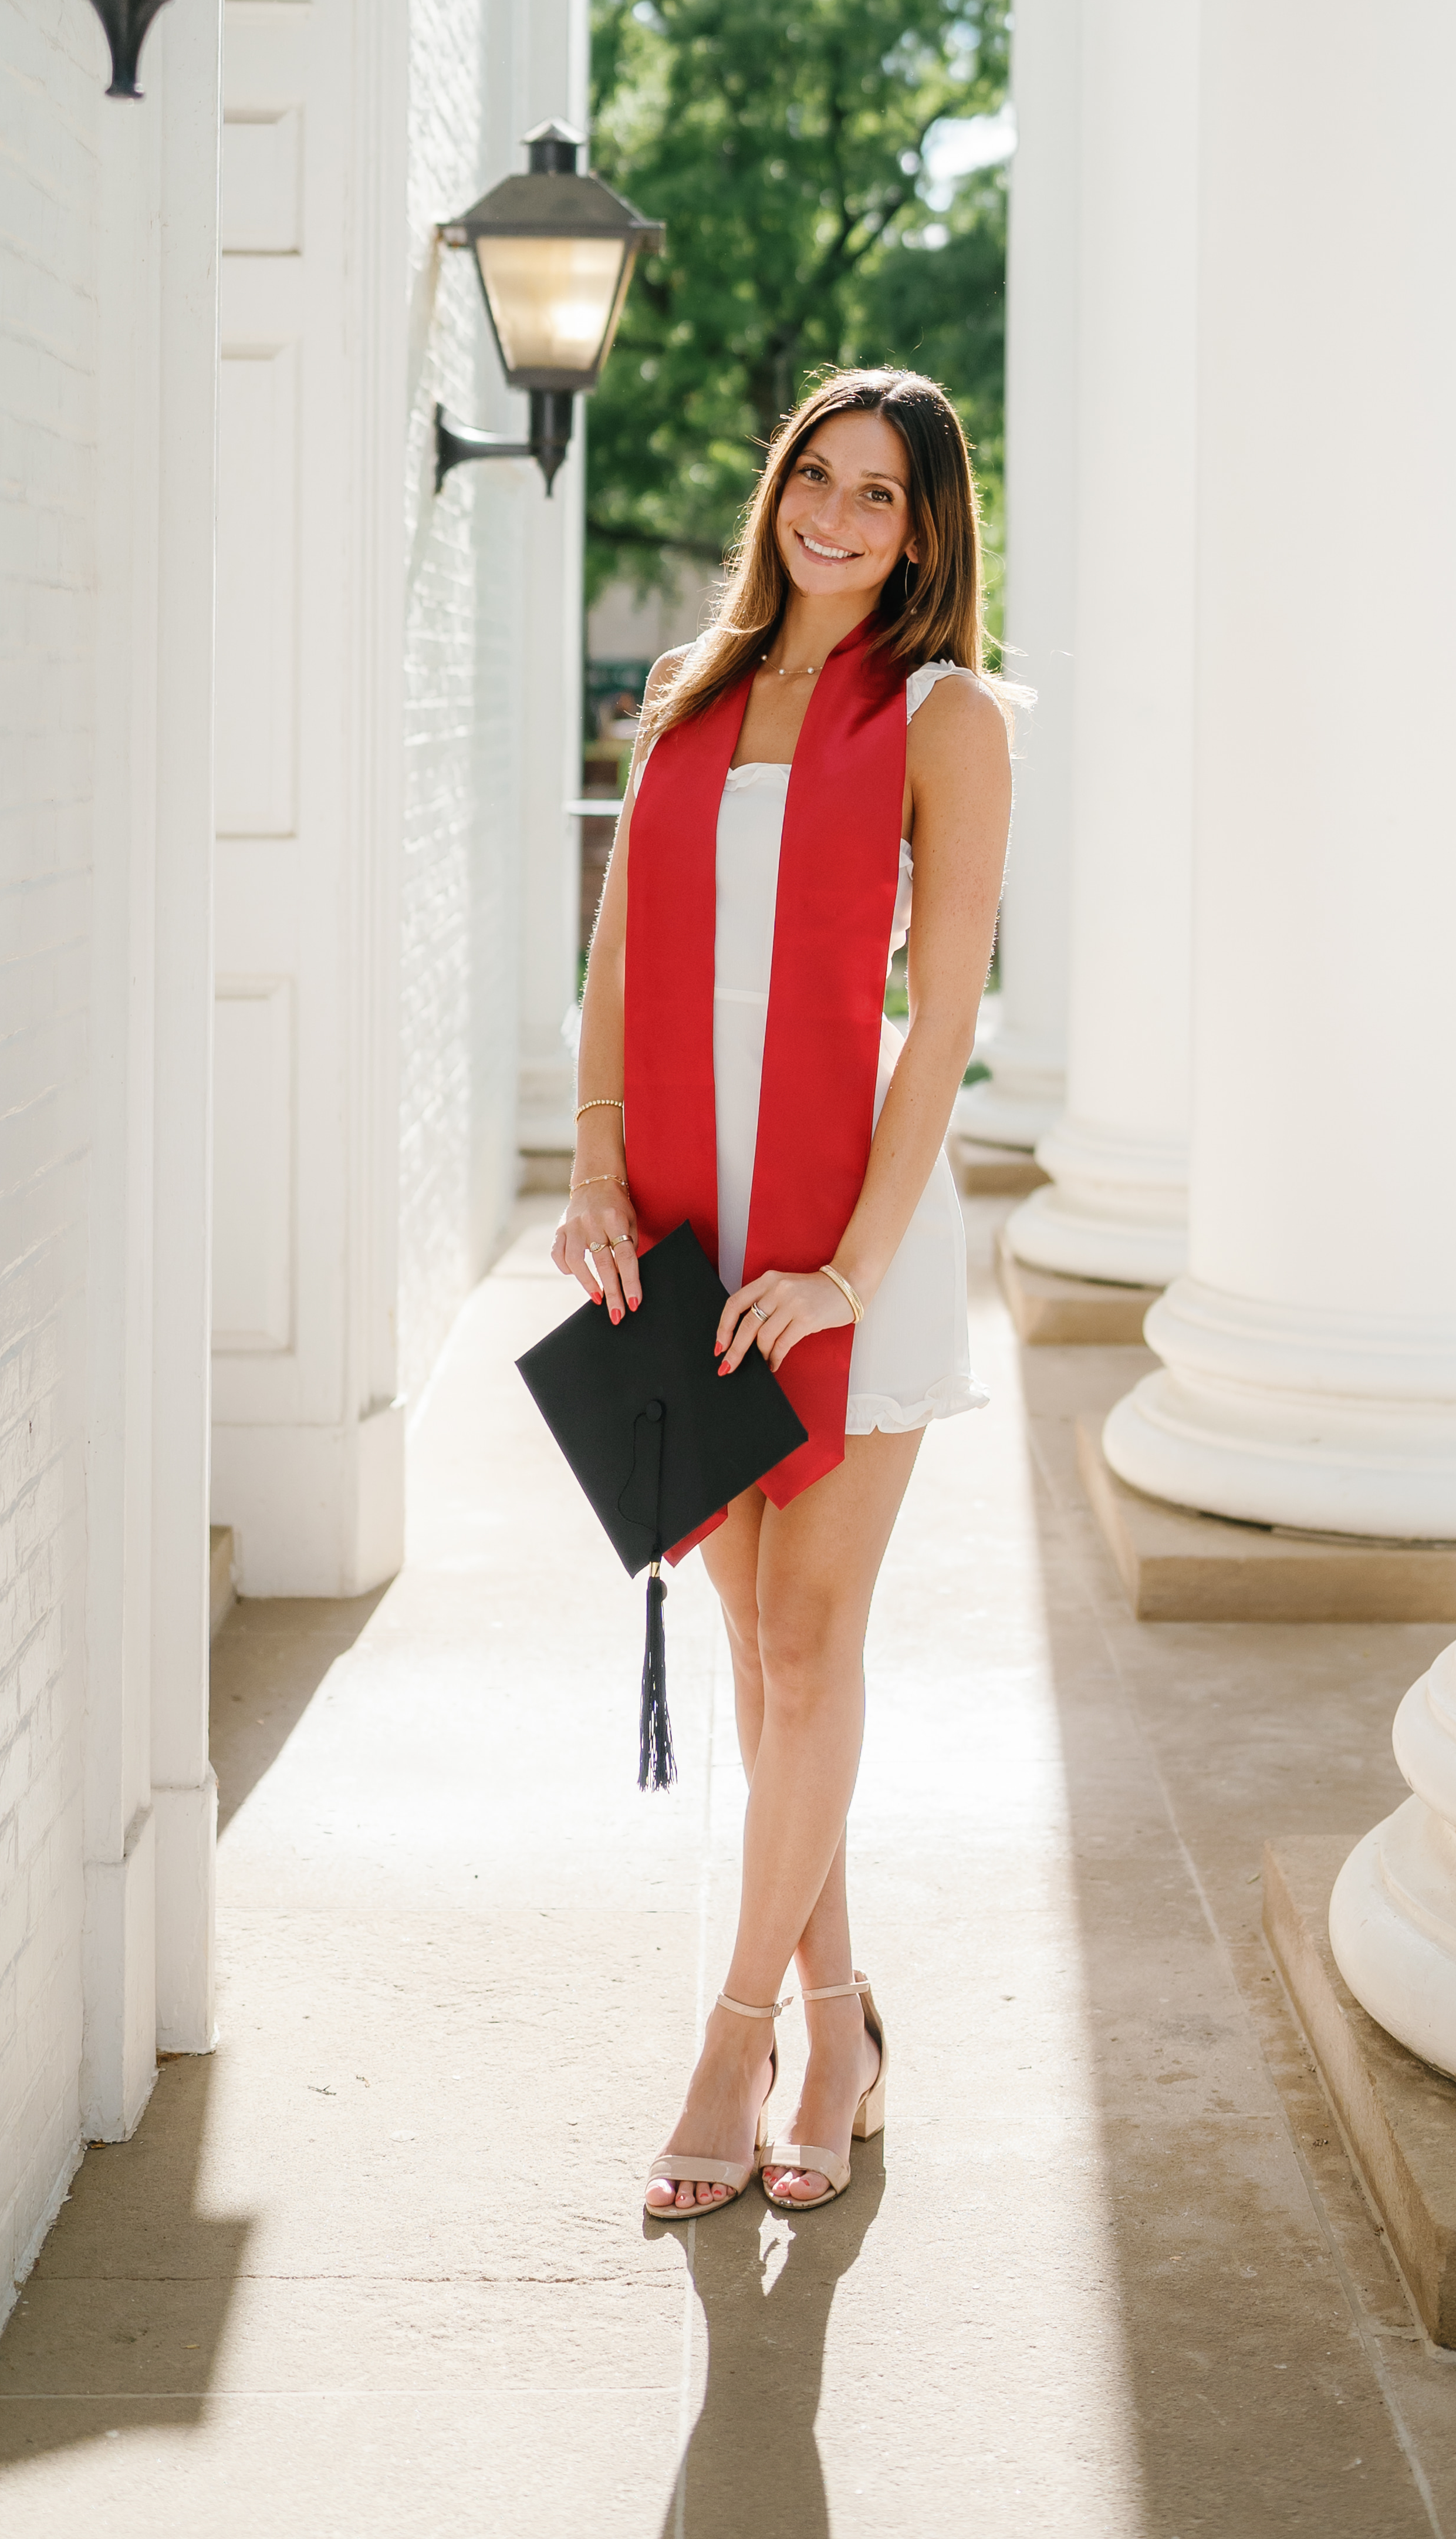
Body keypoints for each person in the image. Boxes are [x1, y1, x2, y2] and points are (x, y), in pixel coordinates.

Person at [556, 368, 1013, 2218]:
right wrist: (595, 1175)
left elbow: (946, 1020)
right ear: (781, 494)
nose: (834, 514)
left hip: (846, 1247)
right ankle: (844, 2025)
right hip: (687, 1235)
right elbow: (615, 956)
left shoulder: (943, 716)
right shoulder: (687, 696)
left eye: (879, 495)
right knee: (759, 1664)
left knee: (809, 1649)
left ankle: (737, 2038)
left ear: (926, 529)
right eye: (815, 478)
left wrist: (846, 1269)